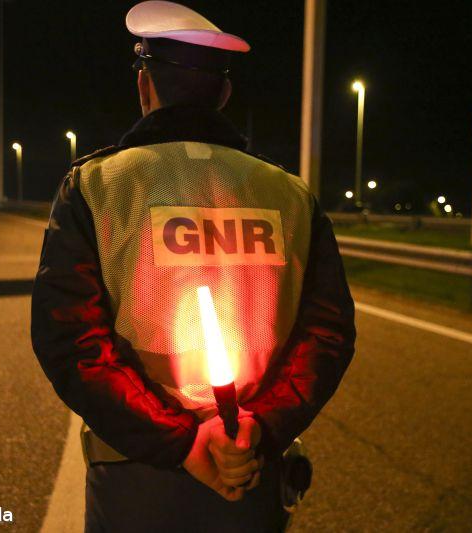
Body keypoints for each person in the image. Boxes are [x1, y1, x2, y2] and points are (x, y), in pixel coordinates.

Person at [31, 1, 356, 531]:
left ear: (145, 87)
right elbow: (328, 333)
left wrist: (182, 442)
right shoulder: (291, 193)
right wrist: (260, 428)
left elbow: (71, 341)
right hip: (250, 467)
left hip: (138, 475)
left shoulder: (96, 186)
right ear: (224, 94)